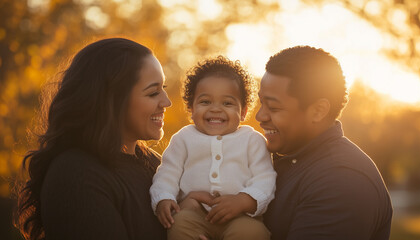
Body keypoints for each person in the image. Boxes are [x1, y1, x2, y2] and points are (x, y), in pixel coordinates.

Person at [15, 38, 171, 240]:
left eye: (164, 88)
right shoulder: (75, 175)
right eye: (153, 93)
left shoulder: (159, 166)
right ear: (113, 100)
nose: (167, 102)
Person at [257, 46, 393, 240]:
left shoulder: (343, 181)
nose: (259, 116)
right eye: (260, 102)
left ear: (318, 111)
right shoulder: (278, 160)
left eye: (273, 107)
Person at [150, 56, 276, 240]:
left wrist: (244, 201)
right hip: (195, 215)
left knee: (254, 233)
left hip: (240, 216)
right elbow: (167, 173)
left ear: (242, 112)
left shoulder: (252, 140)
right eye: (205, 102)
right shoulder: (184, 138)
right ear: (191, 109)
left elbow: (265, 178)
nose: (216, 109)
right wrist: (163, 197)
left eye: (227, 103)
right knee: (178, 225)